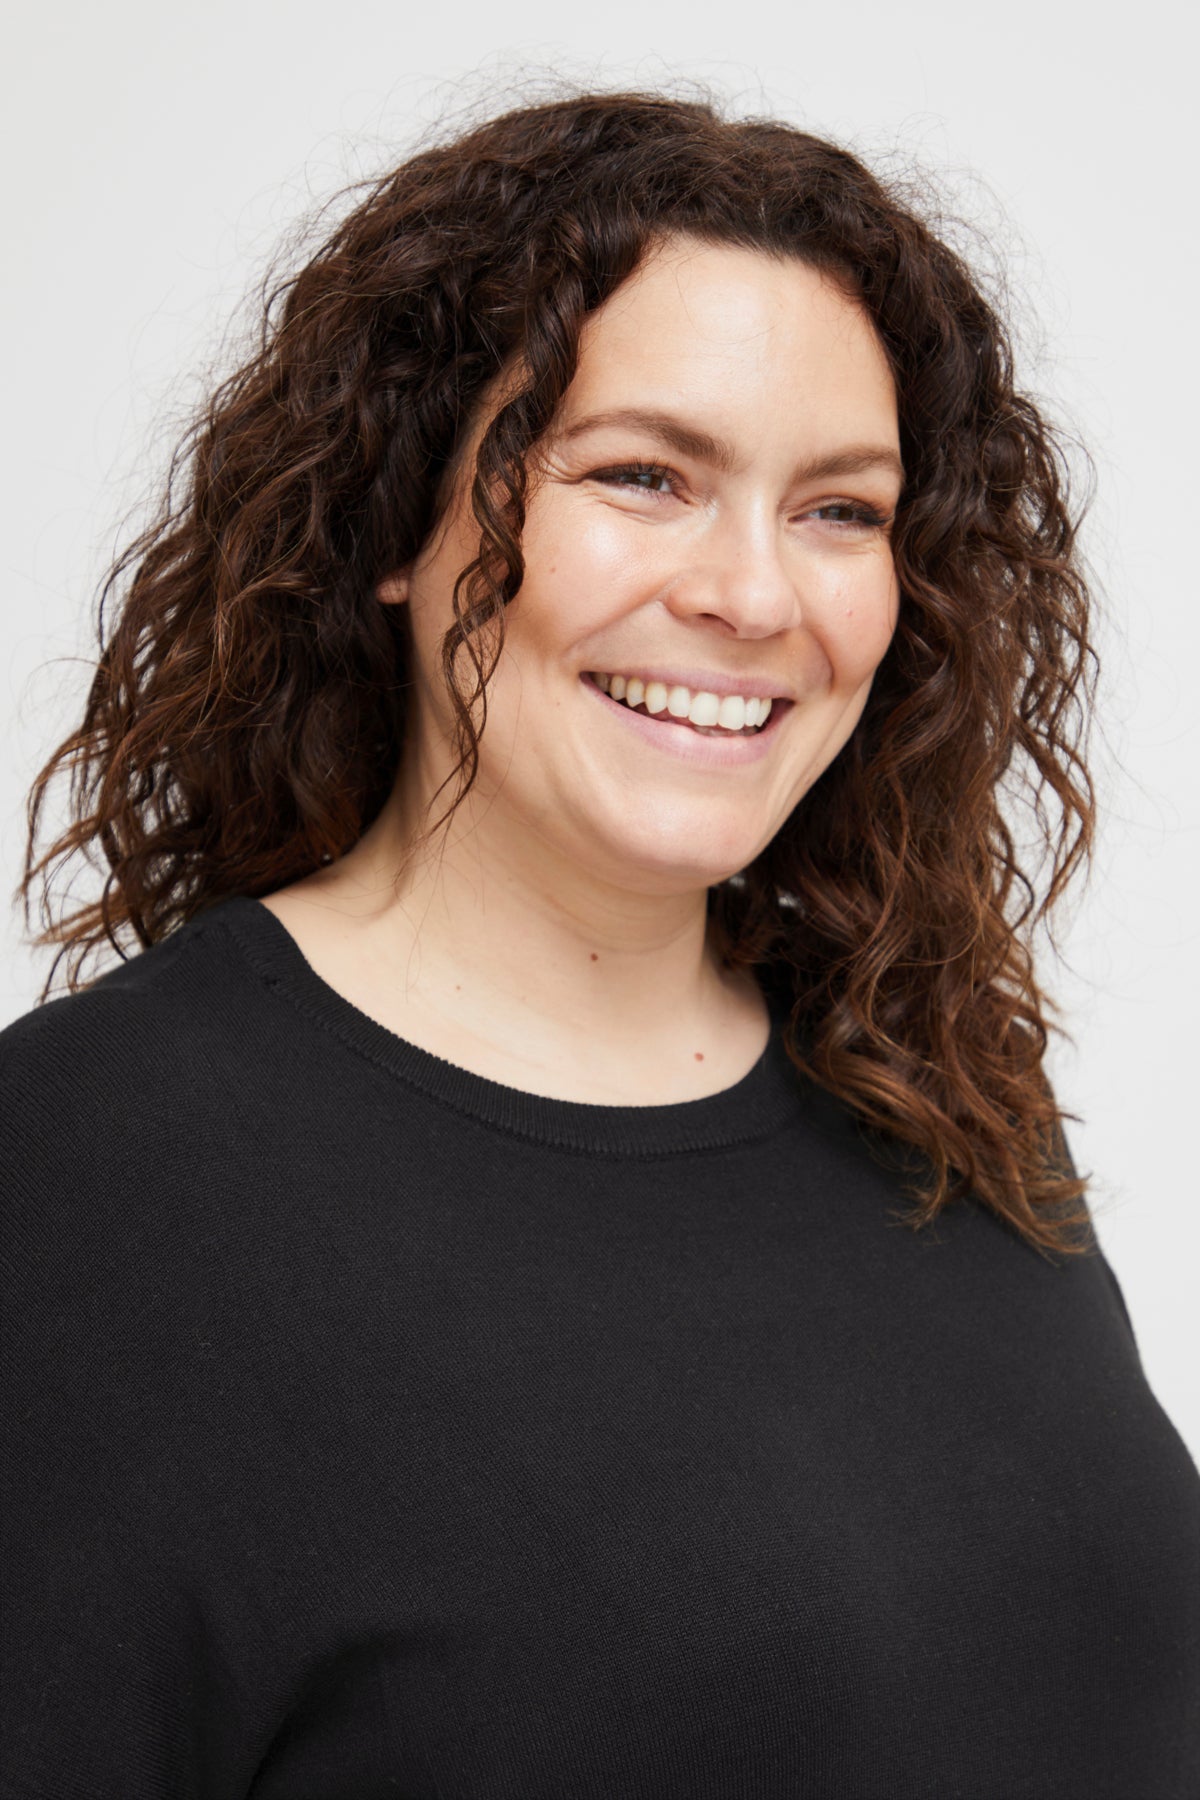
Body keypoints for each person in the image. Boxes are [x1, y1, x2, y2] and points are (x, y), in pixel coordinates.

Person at [3, 89, 1198, 1799]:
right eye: (645, 476)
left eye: (841, 510)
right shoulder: (82, 1178)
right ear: (400, 520)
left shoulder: (927, 1081)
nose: (754, 596)